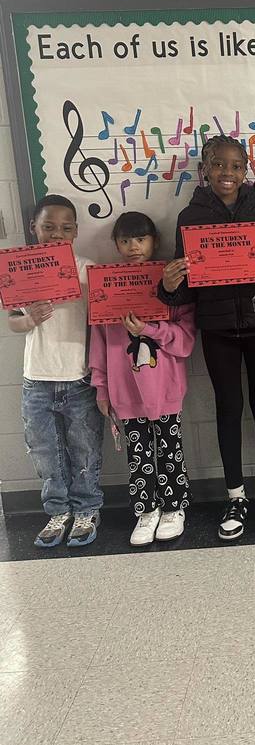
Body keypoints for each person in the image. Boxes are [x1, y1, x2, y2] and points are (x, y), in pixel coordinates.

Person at [158, 135, 255, 541]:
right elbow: (184, 291)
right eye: (218, 165)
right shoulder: (189, 218)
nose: (226, 173)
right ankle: (236, 497)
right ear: (206, 169)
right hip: (216, 329)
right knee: (228, 409)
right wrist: (168, 284)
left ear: (246, 169)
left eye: (234, 165)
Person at [89, 212, 195, 546]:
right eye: (124, 240)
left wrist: (149, 329)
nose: (133, 247)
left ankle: (174, 507)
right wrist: (102, 388)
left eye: (140, 239)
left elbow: (186, 339)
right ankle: (146, 510)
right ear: (115, 244)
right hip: (124, 391)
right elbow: (99, 345)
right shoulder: (106, 286)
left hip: (164, 389)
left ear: (154, 240)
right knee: (138, 454)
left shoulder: (171, 283)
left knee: (169, 449)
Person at [9, 195, 104, 547]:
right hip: (36, 378)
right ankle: (57, 512)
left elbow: (102, 318)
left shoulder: (86, 268)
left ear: (76, 232)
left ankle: (87, 510)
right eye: (48, 227)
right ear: (34, 228)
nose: (56, 234)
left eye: (65, 228)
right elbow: (14, 323)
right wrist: (29, 318)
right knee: (44, 452)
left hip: (77, 376)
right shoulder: (21, 270)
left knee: (84, 449)